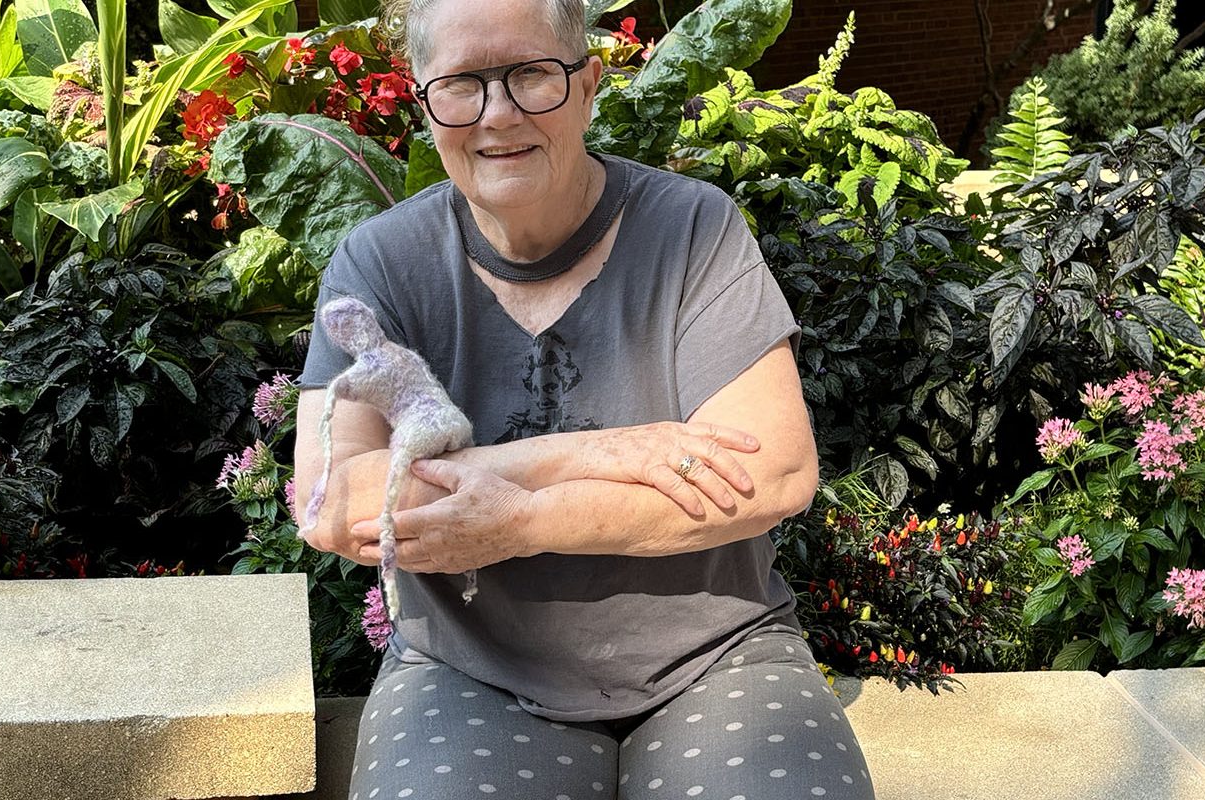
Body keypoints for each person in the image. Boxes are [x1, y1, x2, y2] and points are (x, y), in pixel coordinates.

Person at [292, 0, 874, 796]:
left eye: (532, 74)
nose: (498, 115)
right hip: (472, 671)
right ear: (423, 99)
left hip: (714, 655)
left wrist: (521, 520)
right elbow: (331, 498)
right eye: (462, 83)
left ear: (590, 83)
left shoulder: (692, 230)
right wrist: (591, 452)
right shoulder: (382, 263)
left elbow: (772, 472)